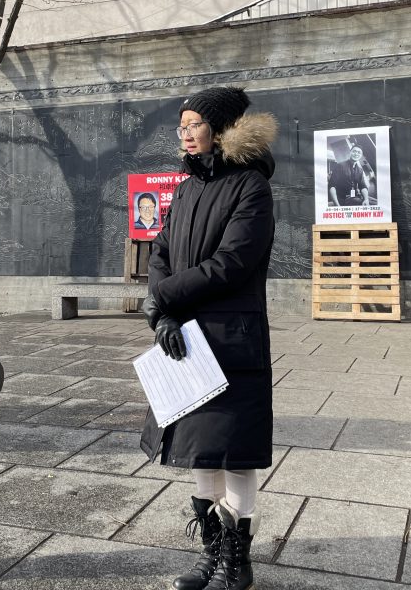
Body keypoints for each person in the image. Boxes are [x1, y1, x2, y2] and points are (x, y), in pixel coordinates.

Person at [140, 86, 276, 590]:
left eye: (194, 123)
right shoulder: (187, 186)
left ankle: (237, 563)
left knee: (234, 452)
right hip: (185, 339)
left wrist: (165, 299)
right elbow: (161, 252)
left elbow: (232, 263)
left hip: (231, 339)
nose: (185, 133)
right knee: (197, 449)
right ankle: (213, 554)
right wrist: (162, 315)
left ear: (223, 129)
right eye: (182, 126)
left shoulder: (251, 188)